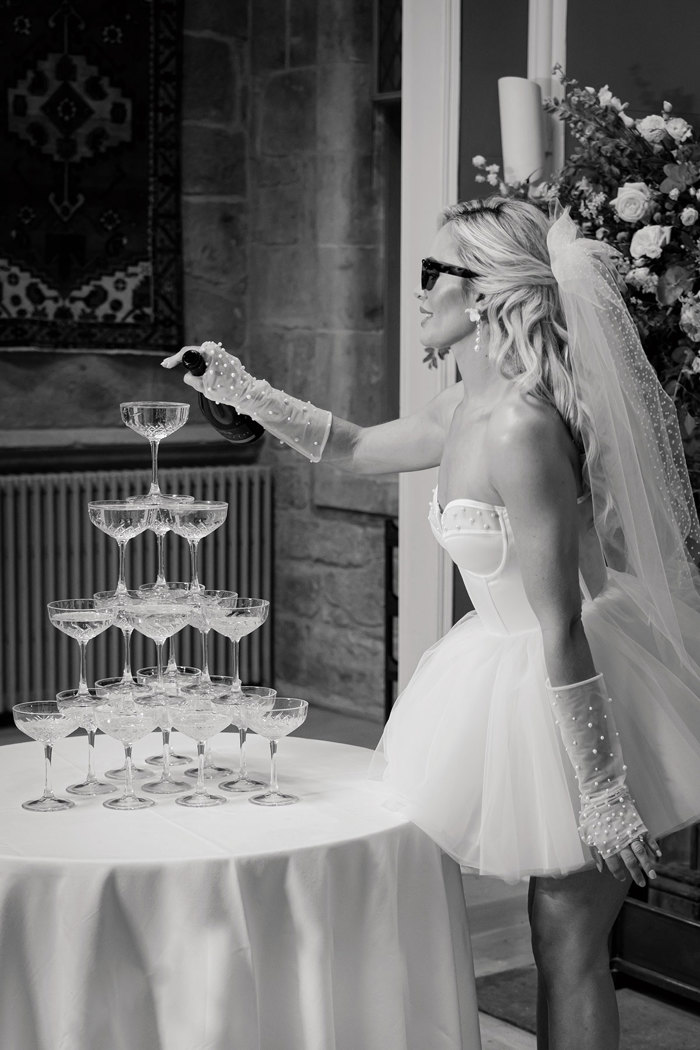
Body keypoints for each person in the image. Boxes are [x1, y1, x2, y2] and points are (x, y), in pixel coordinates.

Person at [163, 197, 700, 1050]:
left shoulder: (522, 425)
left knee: (568, 951)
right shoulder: (461, 408)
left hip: (581, 690)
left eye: (431, 274)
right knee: (551, 943)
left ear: (483, 293)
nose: (417, 292)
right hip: (497, 672)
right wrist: (238, 388)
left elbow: (560, 623)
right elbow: (354, 446)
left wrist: (600, 794)